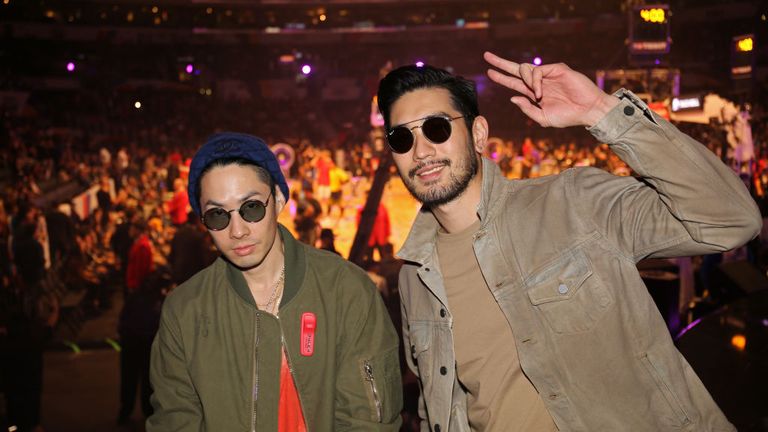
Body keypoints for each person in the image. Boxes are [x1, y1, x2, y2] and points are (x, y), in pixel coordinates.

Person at [376, 52, 761, 431]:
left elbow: (730, 221)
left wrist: (600, 111)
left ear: (478, 134)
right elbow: (437, 407)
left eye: (437, 128)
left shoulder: (573, 202)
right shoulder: (415, 279)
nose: (422, 150)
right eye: (401, 138)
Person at [147, 132, 402, 431]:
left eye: (251, 207)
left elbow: (369, 421)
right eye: (218, 215)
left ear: (279, 199)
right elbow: (175, 421)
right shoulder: (184, 312)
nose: (237, 230)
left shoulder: (346, 290)